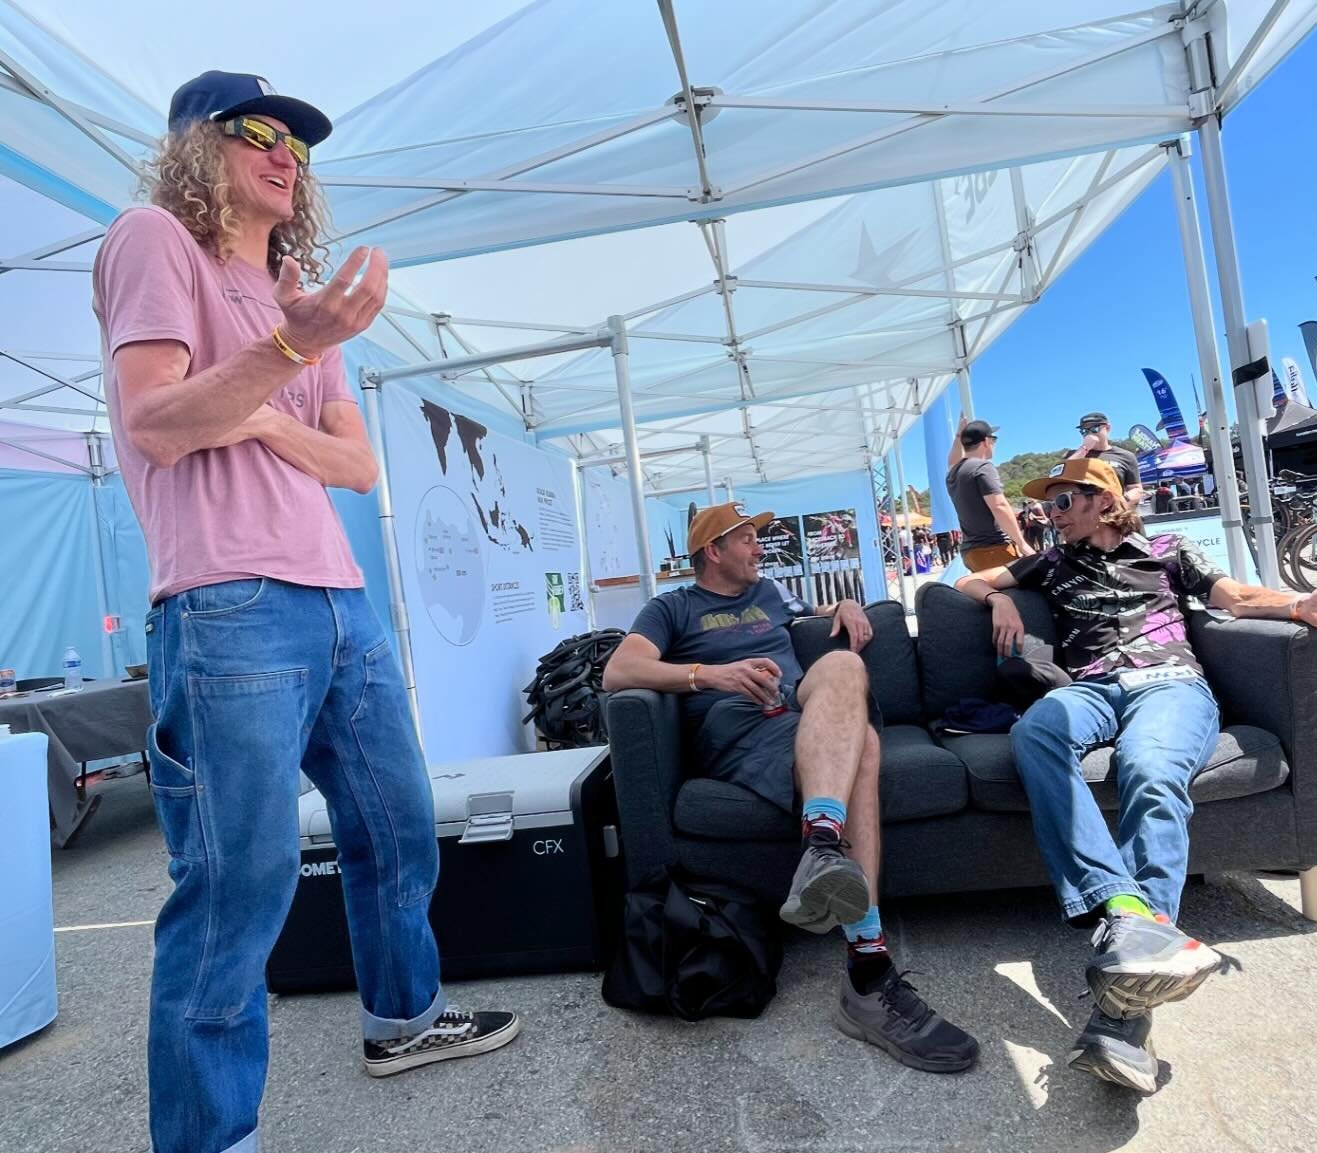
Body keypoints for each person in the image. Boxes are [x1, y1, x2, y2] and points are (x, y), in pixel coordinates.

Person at [95, 72, 517, 1153]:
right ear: (199, 144)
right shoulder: (155, 241)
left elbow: (358, 465)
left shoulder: (298, 290)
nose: (286, 154)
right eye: (257, 133)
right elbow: (157, 424)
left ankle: (404, 1017)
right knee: (240, 883)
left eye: (298, 143)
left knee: (398, 824)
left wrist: (269, 416)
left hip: (339, 597)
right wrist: (281, 365)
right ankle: (208, 1136)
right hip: (226, 597)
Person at [953, 458, 1317, 1094]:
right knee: (1035, 730)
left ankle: (1123, 1022)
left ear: (1103, 502)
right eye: (1049, 503)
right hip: (1093, 687)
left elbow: (1233, 597)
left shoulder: (1167, 548)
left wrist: (1297, 603)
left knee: (1149, 769)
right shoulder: (1049, 561)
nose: (1052, 510)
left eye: (1065, 499)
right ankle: (1127, 912)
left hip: (1170, 683)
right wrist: (997, 599)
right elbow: (965, 583)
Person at [603, 502, 978, 1073]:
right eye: (749, 540)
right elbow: (619, 672)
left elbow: (814, 610)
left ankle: (821, 845)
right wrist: (709, 675)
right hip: (742, 726)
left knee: (846, 668)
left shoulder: (771, 595)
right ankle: (869, 967)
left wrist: (846, 603)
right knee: (867, 750)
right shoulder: (672, 607)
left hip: (799, 713)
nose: (760, 549)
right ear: (714, 551)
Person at [945, 419, 1033, 571]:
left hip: (971, 551)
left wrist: (960, 435)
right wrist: (1022, 544)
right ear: (986, 441)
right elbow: (999, 506)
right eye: (994, 440)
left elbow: (952, 460)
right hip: (993, 548)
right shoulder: (982, 467)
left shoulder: (954, 473)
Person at [1067, 412, 1144, 510]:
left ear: (1107, 428)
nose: (1089, 434)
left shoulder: (1126, 456)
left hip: (1116, 513)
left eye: (1094, 429)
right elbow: (1062, 475)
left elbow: (1136, 489)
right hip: (1084, 513)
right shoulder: (1075, 455)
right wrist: (1084, 448)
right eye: (1084, 431)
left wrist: (1121, 502)